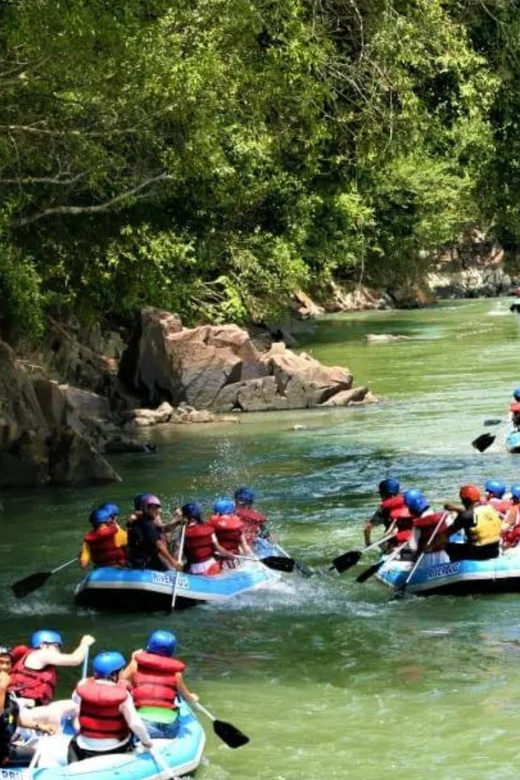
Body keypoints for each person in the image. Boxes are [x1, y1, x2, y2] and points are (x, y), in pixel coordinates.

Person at [68, 651, 152, 763]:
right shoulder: (123, 695)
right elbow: (135, 724)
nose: (123, 674)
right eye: (121, 671)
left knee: (73, 743)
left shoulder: (82, 687)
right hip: (115, 748)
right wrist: (147, 742)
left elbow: (75, 700)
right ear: (114, 674)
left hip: (85, 748)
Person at [121, 630, 198, 739]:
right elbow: (187, 697)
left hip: (145, 725)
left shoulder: (135, 665)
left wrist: (132, 659)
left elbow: (119, 683)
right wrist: (193, 697)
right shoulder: (176, 673)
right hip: (169, 727)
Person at [8, 631, 95, 708]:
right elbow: (75, 659)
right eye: (56, 646)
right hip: (23, 703)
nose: (59, 651)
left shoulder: (30, 655)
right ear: (43, 645)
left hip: (18, 700)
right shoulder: (42, 654)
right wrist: (84, 643)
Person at [0, 648, 54, 767]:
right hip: (2, 754)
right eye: (1, 662)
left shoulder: (7, 694)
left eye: (7, 663)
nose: (4, 667)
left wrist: (39, 726)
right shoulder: (2, 687)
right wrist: (3, 686)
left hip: (5, 745)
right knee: (37, 756)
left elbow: (12, 717)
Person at [127, 495, 183, 572]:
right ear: (146, 508)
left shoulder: (141, 521)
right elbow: (159, 544)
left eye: (157, 508)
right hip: (146, 562)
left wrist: (178, 523)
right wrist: (173, 561)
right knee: (171, 569)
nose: (157, 511)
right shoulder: (147, 524)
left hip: (138, 559)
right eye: (154, 508)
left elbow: (163, 529)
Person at [445, 484, 501, 561]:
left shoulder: (466, 516)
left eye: (462, 500)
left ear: (465, 500)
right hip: (495, 551)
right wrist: (455, 508)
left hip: (478, 553)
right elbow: (471, 510)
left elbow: (448, 532)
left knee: (449, 546)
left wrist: (430, 546)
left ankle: (457, 566)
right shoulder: (490, 508)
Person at [182, 502, 232, 575]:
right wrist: (230, 555)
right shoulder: (208, 528)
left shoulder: (184, 532)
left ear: (186, 517)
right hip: (212, 565)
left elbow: (177, 553)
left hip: (195, 568)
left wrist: (176, 565)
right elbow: (218, 548)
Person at [405, 493, 451, 565]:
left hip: (426, 561)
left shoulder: (417, 525)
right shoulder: (444, 517)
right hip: (446, 557)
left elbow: (413, 547)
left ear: (412, 508)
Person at [209, 499, 253, 568]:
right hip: (234, 561)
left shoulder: (211, 525)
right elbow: (245, 546)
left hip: (217, 561)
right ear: (231, 512)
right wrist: (252, 557)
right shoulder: (237, 527)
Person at [363, 478, 405, 546]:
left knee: (383, 544)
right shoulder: (408, 501)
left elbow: (367, 527)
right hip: (412, 537)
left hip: (393, 542)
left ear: (384, 495)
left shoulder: (384, 509)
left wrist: (368, 543)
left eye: (381, 495)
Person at [501, 483, 520, 549]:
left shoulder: (514, 510)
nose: (510, 499)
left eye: (513, 497)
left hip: (512, 544)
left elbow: (503, 529)